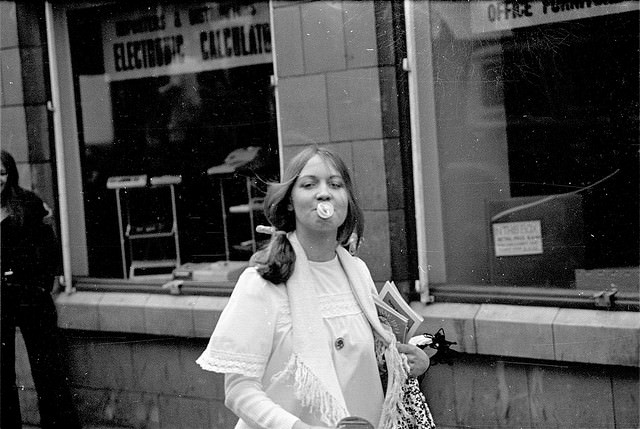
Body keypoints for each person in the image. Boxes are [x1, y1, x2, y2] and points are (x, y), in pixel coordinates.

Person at [197, 146, 432, 429]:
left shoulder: (357, 272)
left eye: (335, 184)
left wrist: (406, 363)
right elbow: (238, 392)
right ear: (289, 202)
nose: (324, 193)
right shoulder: (263, 281)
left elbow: (361, 364)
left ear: (347, 201)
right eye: (309, 184)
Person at [1, 150, 81, 429]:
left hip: (30, 294)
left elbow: (49, 246)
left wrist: (44, 283)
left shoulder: (28, 203)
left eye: (2, 172)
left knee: (47, 366)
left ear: (10, 173)